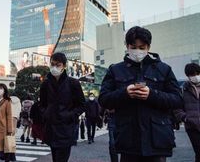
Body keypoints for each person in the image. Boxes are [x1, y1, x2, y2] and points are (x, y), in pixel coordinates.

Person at [98, 26, 183, 162]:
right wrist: (124, 93)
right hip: (128, 139)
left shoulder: (163, 69)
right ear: (127, 46)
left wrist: (152, 95)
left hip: (157, 138)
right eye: (133, 47)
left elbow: (177, 99)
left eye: (142, 47)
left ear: (148, 47)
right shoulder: (115, 70)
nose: (137, 51)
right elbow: (103, 99)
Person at [40, 52, 86, 162]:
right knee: (55, 158)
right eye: (52, 64)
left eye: (58, 65)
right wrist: (46, 113)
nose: (54, 67)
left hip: (66, 128)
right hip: (50, 128)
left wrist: (70, 115)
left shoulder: (73, 83)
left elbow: (81, 105)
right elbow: (41, 104)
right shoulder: (45, 84)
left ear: (64, 66)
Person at [174, 63, 200, 162]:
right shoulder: (183, 89)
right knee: (198, 152)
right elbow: (177, 108)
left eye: (198, 73)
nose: (196, 76)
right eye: (192, 74)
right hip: (192, 127)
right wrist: (185, 118)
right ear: (188, 76)